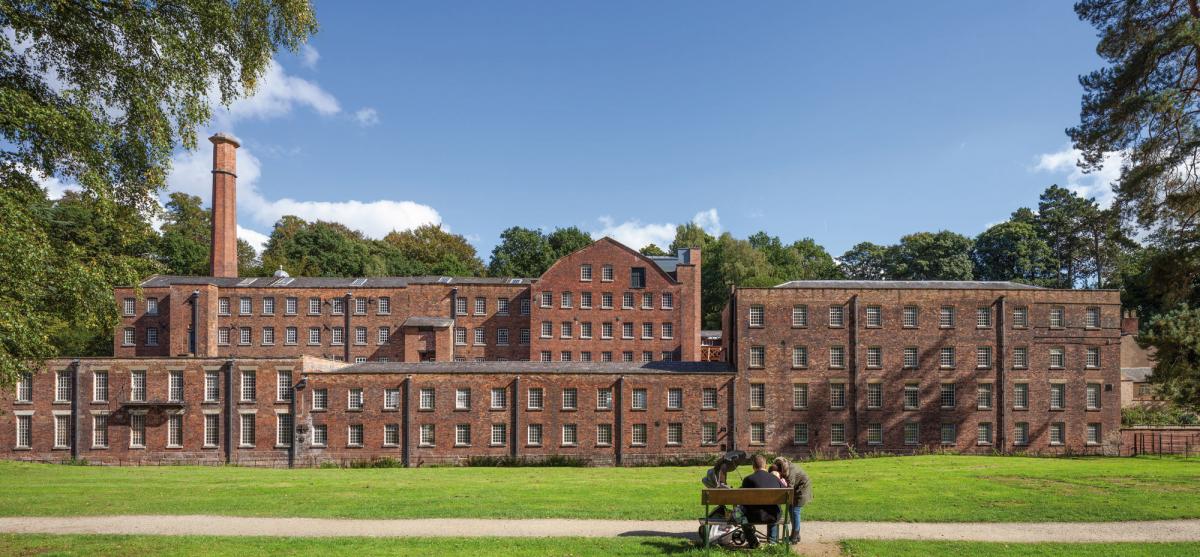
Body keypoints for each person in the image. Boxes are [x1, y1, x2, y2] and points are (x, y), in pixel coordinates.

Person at [739, 454, 784, 546]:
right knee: (774, 508)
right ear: (765, 466)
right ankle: (772, 541)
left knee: (741, 517)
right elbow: (784, 491)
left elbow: (742, 499)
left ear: (753, 467)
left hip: (751, 516)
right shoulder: (775, 478)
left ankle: (753, 542)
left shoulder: (747, 479)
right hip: (773, 516)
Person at [773, 456, 812, 544]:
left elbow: (789, 489)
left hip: (802, 490)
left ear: (781, 469)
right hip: (795, 490)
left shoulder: (791, 472)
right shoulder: (785, 468)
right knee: (791, 510)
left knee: (795, 511)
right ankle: (796, 535)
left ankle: (794, 537)